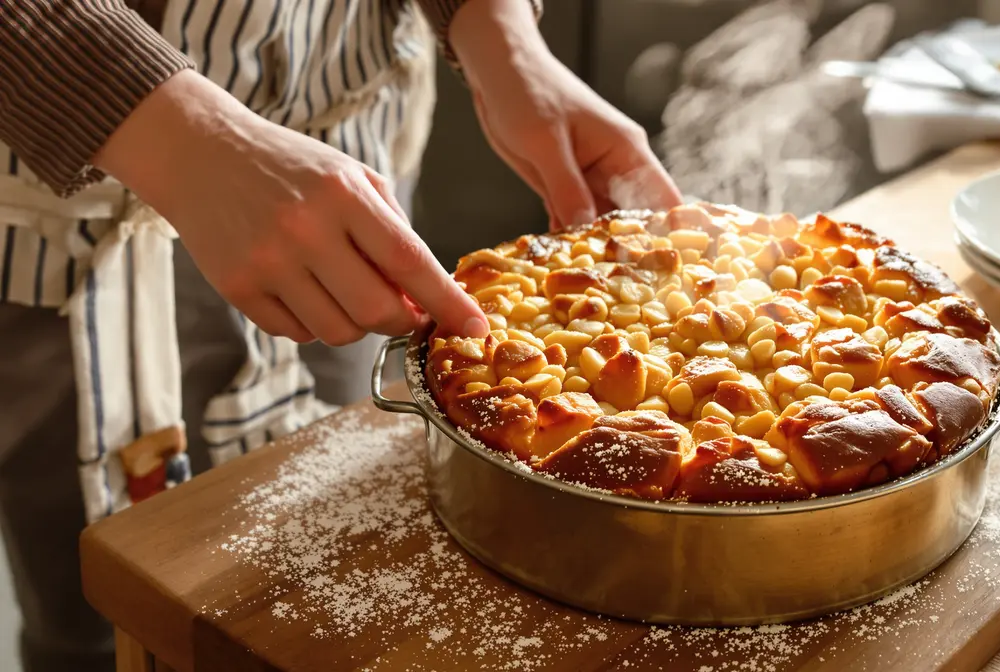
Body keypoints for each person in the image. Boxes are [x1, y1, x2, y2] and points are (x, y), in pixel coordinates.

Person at [0, 0, 682, 669]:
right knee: (93, 604)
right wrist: (179, 132)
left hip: (346, 165)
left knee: (310, 575)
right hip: (58, 183)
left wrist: (498, 31)